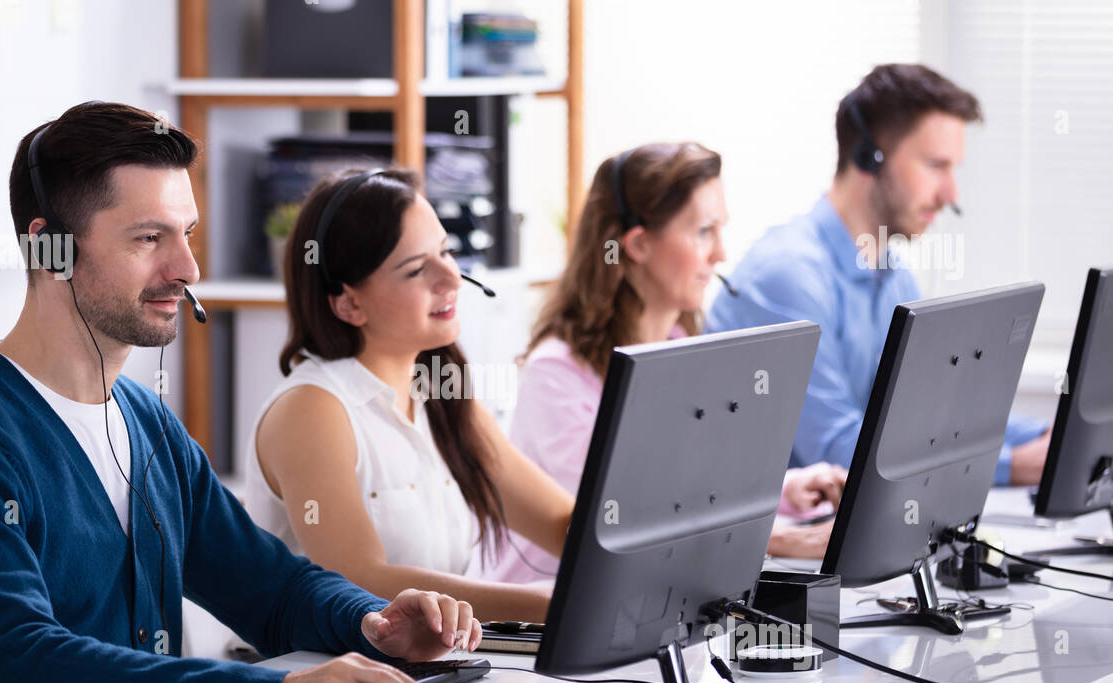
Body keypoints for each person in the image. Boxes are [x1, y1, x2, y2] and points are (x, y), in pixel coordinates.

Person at [0, 103, 481, 683]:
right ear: (49, 250)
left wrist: (372, 624)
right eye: (148, 238)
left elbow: (271, 589)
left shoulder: (146, 423)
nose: (187, 268)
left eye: (186, 234)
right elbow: (22, 668)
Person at [481, 143, 848, 584]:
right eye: (704, 232)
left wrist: (787, 491)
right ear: (637, 244)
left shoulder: (680, 346)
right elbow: (621, 520)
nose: (720, 255)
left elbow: (697, 490)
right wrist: (776, 538)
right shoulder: (555, 375)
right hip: (542, 617)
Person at [243, 168, 576, 624]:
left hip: (438, 669)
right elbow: (358, 581)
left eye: (446, 252)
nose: (451, 279)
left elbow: (562, 525)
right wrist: (542, 606)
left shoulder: (441, 392)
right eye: (417, 269)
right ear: (349, 304)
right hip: (326, 675)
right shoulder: (312, 409)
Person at [706, 63, 1050, 486]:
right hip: (784, 539)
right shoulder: (789, 277)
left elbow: (934, 411)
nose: (950, 195)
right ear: (869, 158)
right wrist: (1012, 466)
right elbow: (837, 447)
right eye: (935, 166)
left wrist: (1045, 436)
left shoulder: (893, 276)